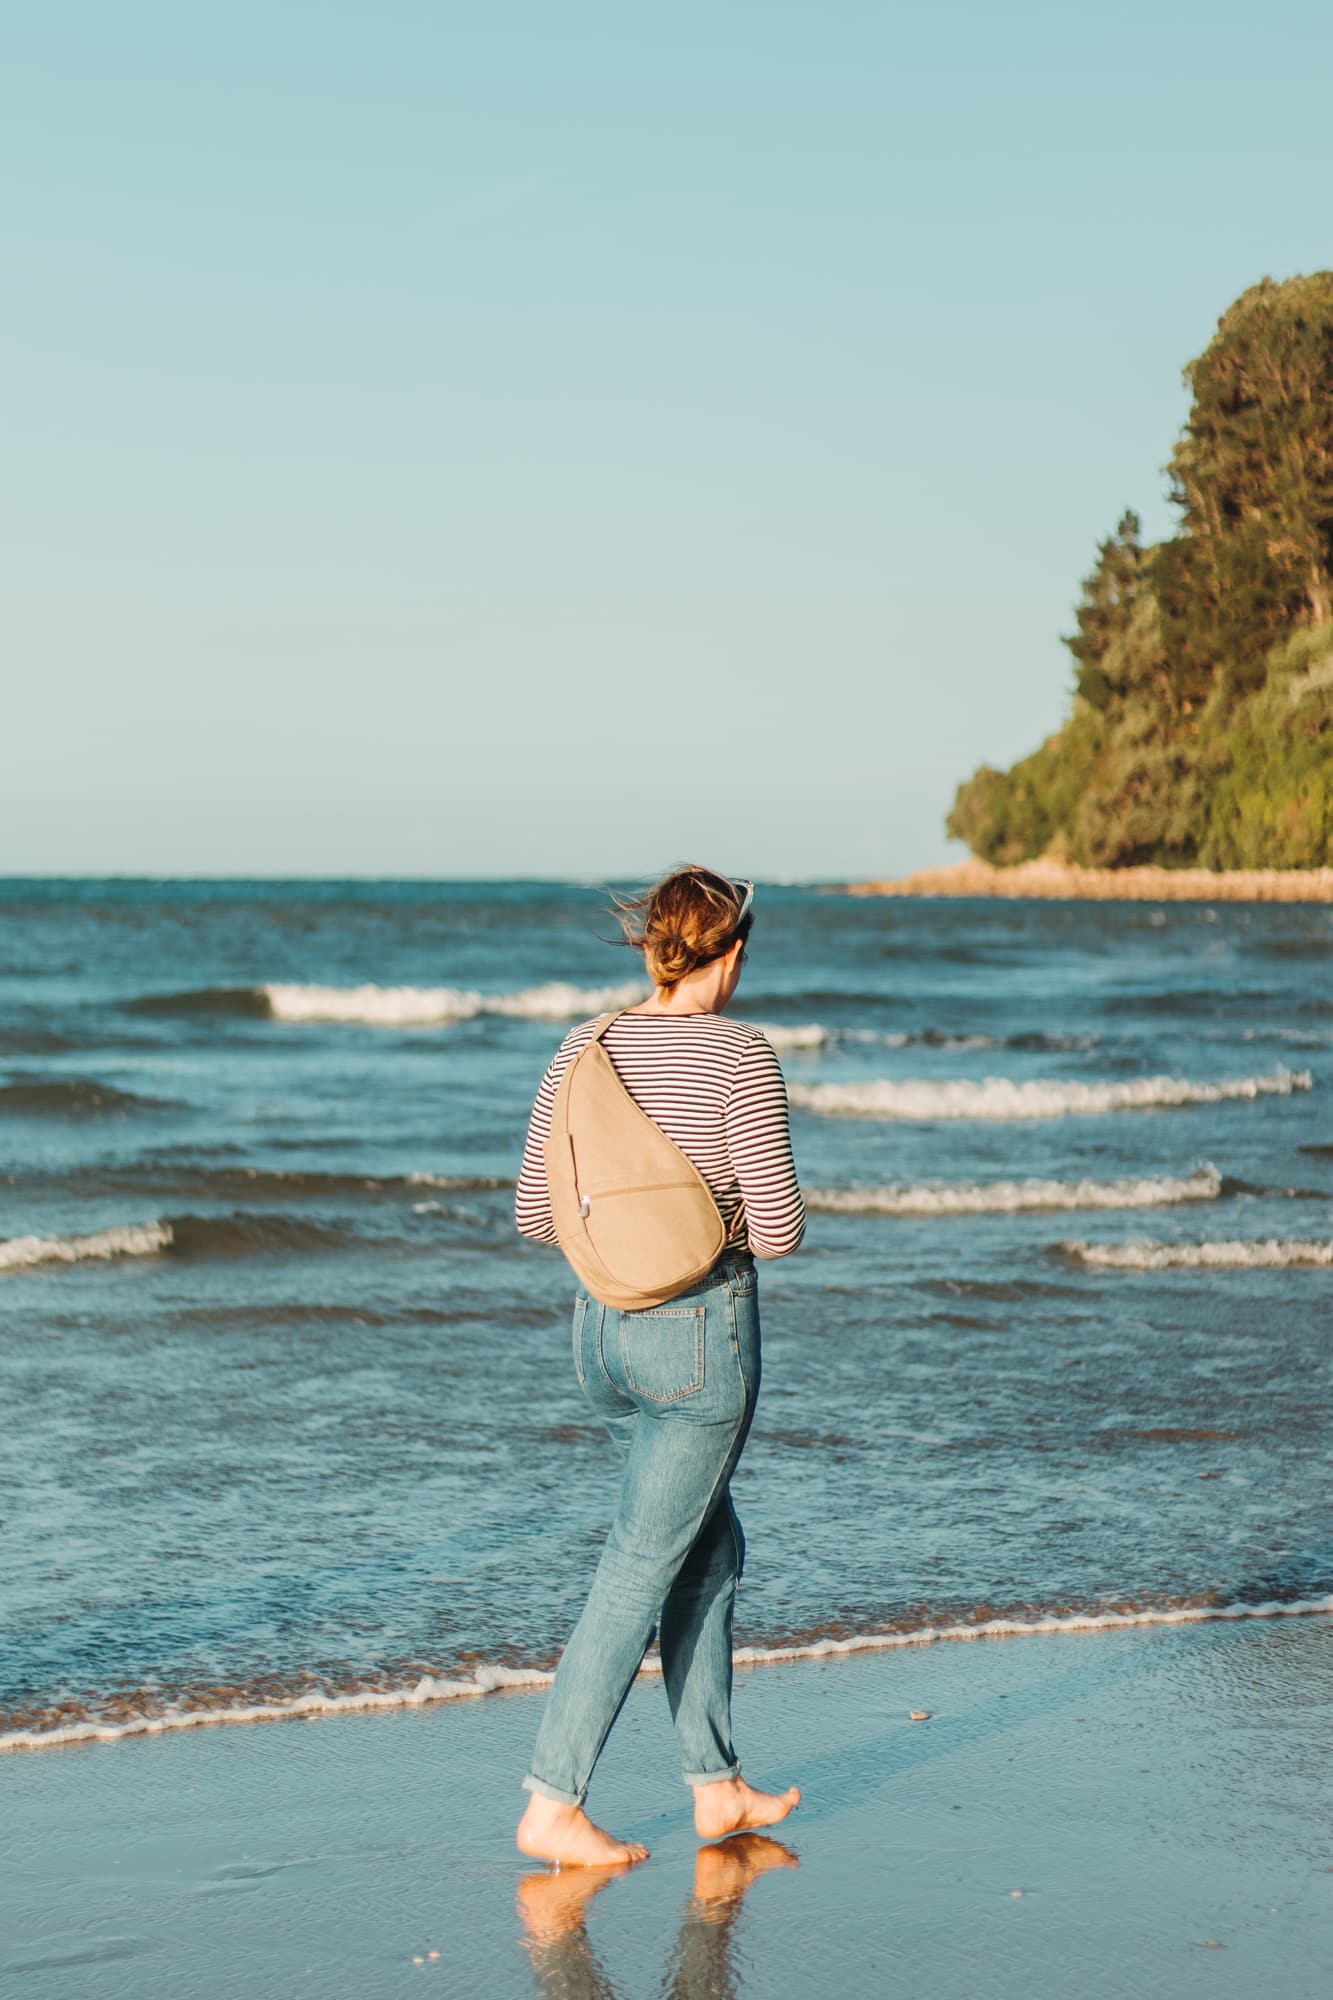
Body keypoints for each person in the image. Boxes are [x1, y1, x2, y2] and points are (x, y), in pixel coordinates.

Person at [513, 865, 806, 1867]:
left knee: (706, 1547)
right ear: (727, 952)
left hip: (598, 1336)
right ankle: (553, 1798)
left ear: (653, 948)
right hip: (698, 1343)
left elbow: (532, 1211)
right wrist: (699, 1218)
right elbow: (777, 1228)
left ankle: (716, 1785)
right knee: (640, 1560)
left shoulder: (580, 1046)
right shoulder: (741, 1056)